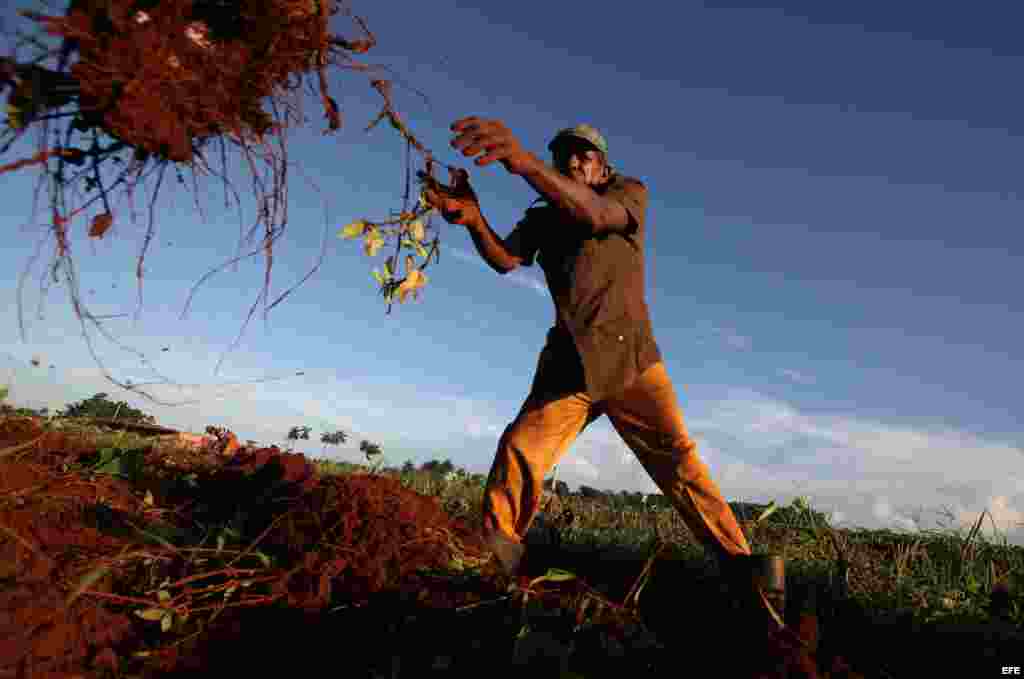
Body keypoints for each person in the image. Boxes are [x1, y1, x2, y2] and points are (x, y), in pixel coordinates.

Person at [421, 118, 810, 656]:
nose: (574, 164)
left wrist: (524, 161)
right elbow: (506, 260)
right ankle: (493, 562)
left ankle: (748, 578)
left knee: (679, 462)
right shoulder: (545, 216)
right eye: (565, 158)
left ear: (603, 166)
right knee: (520, 449)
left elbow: (594, 213)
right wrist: (471, 218)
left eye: (585, 157)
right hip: (570, 365)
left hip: (631, 361)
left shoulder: (627, 195)